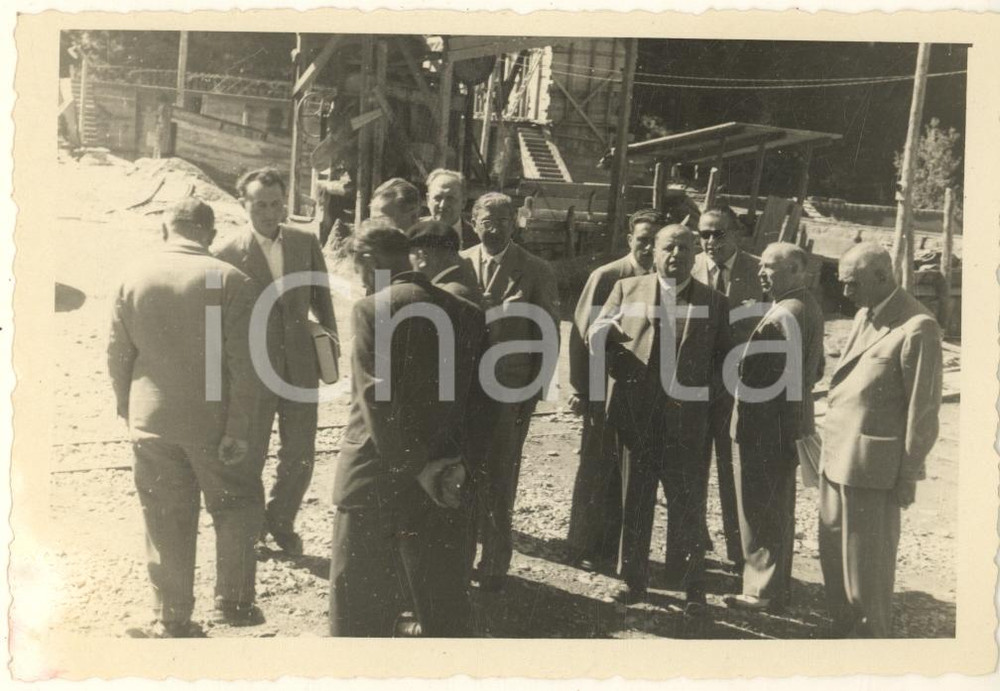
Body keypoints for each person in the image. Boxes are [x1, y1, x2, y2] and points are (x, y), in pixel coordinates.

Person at [108, 199, 263, 637]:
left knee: (164, 514)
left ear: (166, 229)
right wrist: (239, 427)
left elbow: (118, 354)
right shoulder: (232, 280)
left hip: (150, 418)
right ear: (209, 235)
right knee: (235, 505)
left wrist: (128, 406)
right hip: (213, 423)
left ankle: (171, 614)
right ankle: (234, 601)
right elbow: (244, 367)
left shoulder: (133, 276)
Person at [328, 224, 483, 637]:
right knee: (441, 603)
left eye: (357, 269)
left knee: (357, 607)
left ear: (368, 260)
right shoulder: (465, 311)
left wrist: (414, 466)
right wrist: (453, 466)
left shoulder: (372, 309)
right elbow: (480, 403)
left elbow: (376, 400)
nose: (358, 281)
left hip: (374, 476)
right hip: (443, 475)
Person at [589, 224, 731, 615]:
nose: (677, 256)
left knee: (687, 504)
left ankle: (693, 589)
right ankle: (633, 582)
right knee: (635, 499)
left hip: (686, 423)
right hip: (636, 418)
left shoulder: (715, 302)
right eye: (670, 248)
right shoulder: (627, 289)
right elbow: (596, 332)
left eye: (687, 249)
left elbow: (726, 362)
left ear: (696, 254)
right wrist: (604, 336)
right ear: (653, 250)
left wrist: (700, 400)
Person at [819, 243, 942, 637]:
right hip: (837, 455)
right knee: (834, 557)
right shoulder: (863, 314)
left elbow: (923, 412)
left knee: (868, 569)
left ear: (882, 277)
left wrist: (907, 474)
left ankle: (874, 644)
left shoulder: (917, 326)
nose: (845, 293)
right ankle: (843, 629)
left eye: (852, 284)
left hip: (874, 467)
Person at [214, 167, 338, 557]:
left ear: (285, 203)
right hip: (252, 370)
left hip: (301, 365)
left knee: (300, 453)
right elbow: (218, 322)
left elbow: (323, 299)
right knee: (249, 453)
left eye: (275, 204)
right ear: (243, 204)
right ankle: (251, 527)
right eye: (260, 205)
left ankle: (281, 521)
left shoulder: (304, 241)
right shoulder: (226, 253)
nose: (269, 213)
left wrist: (330, 345)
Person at [459, 192, 561, 592]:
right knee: (464, 475)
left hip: (509, 393)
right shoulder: (461, 263)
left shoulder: (535, 270)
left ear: (515, 222)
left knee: (500, 478)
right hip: (463, 393)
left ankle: (495, 562)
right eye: (487, 218)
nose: (495, 226)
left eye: (504, 218)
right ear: (473, 222)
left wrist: (532, 395)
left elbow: (548, 334)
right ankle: (461, 555)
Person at [724, 242, 824, 612]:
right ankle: (772, 588)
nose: (762, 273)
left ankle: (761, 591)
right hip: (782, 424)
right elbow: (816, 370)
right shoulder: (804, 307)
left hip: (766, 427)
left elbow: (762, 375)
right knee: (775, 508)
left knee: (760, 508)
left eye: (771, 267)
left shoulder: (788, 312)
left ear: (798, 271)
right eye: (762, 266)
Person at [565, 209, 663, 573]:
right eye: (643, 240)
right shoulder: (607, 276)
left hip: (641, 396)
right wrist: (581, 388)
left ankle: (614, 549)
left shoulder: (662, 279)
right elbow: (580, 335)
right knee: (596, 468)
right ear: (629, 240)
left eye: (657, 241)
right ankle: (582, 546)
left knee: (628, 472)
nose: (650, 248)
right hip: (602, 390)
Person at [689, 207, 764, 573]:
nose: (710, 242)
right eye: (703, 234)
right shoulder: (689, 267)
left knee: (733, 470)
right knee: (691, 465)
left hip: (741, 390)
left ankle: (739, 552)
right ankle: (693, 540)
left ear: (736, 234)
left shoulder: (759, 272)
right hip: (695, 387)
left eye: (718, 234)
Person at [405, 218, 482, 305]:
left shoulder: (444, 295)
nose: (407, 264)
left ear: (421, 256)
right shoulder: (463, 285)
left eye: (408, 256)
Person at [423, 168, 479, 250]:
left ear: (463, 202)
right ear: (428, 200)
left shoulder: (478, 237)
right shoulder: (413, 232)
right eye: (438, 198)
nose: (443, 205)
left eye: (450, 198)